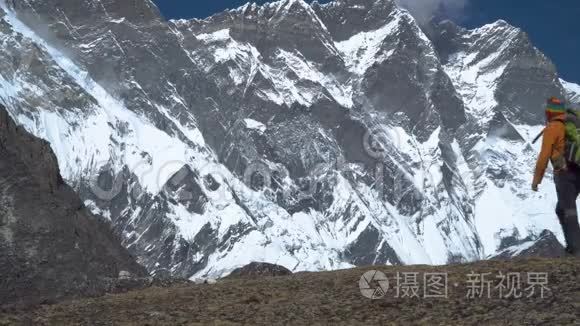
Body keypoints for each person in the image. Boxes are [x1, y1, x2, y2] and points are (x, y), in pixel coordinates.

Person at [532, 97, 580, 256]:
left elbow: (544, 156)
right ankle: (572, 246)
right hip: (577, 169)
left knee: (568, 211)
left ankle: (576, 250)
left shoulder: (553, 128)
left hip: (564, 174)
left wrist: (536, 180)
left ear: (549, 112)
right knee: (561, 209)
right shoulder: (572, 125)